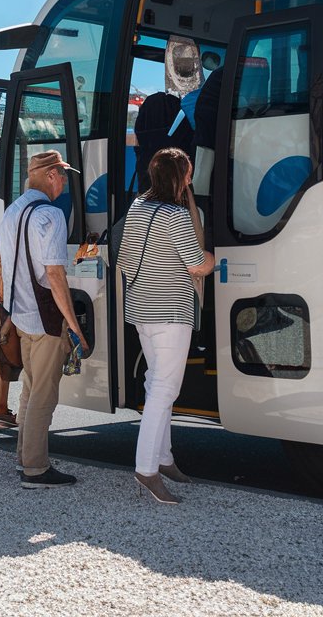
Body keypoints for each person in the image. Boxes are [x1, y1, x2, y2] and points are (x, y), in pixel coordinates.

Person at [118, 147, 215, 505]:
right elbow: (197, 265)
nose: (191, 179)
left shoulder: (138, 207)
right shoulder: (175, 215)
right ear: (178, 176)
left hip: (142, 310)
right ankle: (147, 470)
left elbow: (125, 259)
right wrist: (221, 258)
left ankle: (164, 458)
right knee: (164, 389)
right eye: (188, 173)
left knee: (155, 381)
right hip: (171, 313)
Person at [0, 150, 89, 489]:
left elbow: (3, 268)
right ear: (49, 175)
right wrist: (75, 327)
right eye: (62, 174)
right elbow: (54, 275)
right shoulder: (50, 214)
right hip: (47, 320)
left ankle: (23, 457)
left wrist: (6, 313)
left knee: (31, 389)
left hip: (20, 316)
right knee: (44, 395)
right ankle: (36, 469)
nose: (64, 181)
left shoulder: (12, 212)